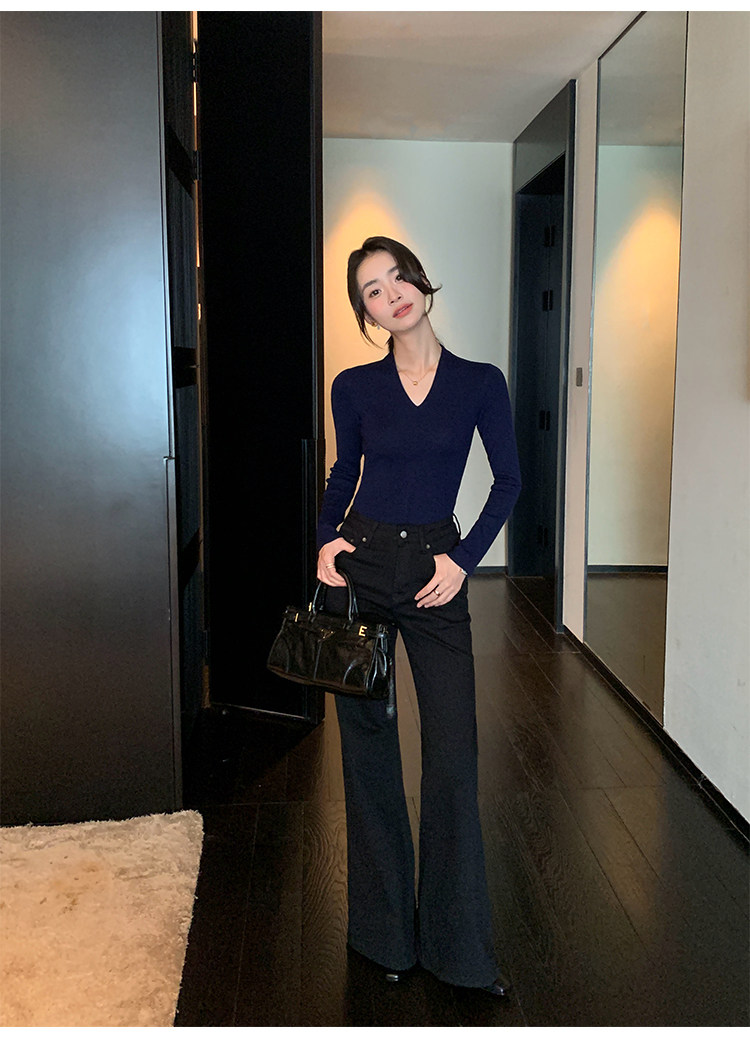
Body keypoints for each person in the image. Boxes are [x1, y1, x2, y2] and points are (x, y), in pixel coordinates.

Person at [316, 235, 522, 996]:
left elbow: (507, 480)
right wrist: (324, 540)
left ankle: (458, 950)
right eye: (373, 290)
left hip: (438, 571)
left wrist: (462, 560)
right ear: (366, 312)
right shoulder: (353, 386)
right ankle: (383, 937)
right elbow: (344, 472)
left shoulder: (480, 383)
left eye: (398, 277)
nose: (391, 294)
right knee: (368, 751)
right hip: (364, 567)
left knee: (452, 756)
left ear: (421, 282)